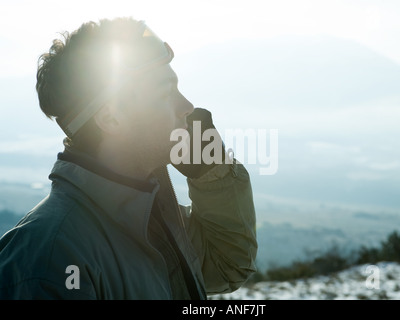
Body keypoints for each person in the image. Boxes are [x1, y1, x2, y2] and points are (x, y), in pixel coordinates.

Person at [0, 17, 257, 299]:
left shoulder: (150, 213)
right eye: (165, 93)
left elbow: (225, 266)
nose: (188, 106)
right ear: (111, 118)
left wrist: (213, 173)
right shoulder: (51, 257)